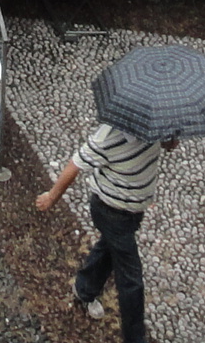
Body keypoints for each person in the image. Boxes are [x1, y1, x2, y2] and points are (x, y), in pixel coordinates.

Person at [34, 114, 174, 343]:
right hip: (111, 212)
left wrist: (169, 140)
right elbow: (75, 164)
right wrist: (52, 196)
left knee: (109, 249)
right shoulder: (108, 136)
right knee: (131, 279)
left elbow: (167, 144)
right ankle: (135, 338)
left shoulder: (154, 121)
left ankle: (85, 288)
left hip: (133, 210)